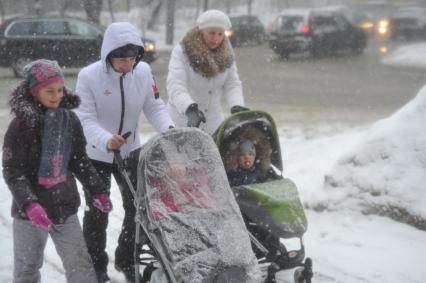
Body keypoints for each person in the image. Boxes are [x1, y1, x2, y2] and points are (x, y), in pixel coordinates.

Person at [75, 22, 175, 283]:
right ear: (108, 55)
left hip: (131, 151)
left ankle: (126, 257)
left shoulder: (142, 72)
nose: (127, 65)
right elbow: (84, 118)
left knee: (138, 209)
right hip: (96, 155)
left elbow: (154, 107)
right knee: (98, 212)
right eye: (121, 60)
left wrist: (170, 130)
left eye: (132, 59)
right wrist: (106, 140)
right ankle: (96, 267)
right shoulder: (88, 76)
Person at [2, 59, 113, 283]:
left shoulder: (69, 120)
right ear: (34, 92)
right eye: (49, 91)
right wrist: (30, 204)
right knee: (27, 270)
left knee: (80, 268)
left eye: (60, 90)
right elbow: (13, 171)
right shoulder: (21, 126)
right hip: (29, 214)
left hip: (64, 207)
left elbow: (79, 160)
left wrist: (98, 190)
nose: (56, 96)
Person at [166, 9, 249, 135]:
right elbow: (175, 85)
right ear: (200, 31)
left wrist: (237, 105)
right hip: (183, 121)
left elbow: (232, 84)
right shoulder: (182, 52)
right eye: (211, 33)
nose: (216, 38)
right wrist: (189, 108)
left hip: (213, 124)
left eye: (220, 34)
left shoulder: (227, 53)